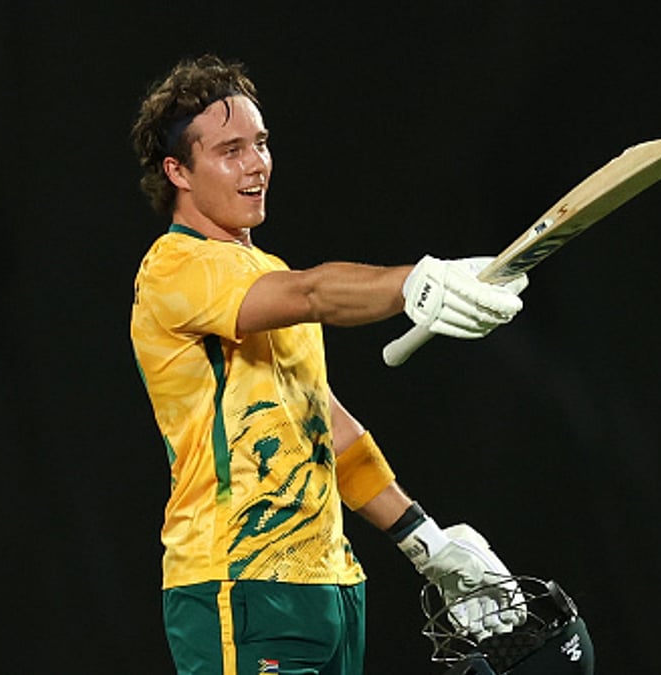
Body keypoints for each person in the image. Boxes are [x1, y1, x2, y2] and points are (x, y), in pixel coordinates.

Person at [129, 54, 529, 675]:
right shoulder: (174, 268)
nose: (256, 164)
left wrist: (427, 541)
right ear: (176, 170)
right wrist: (416, 283)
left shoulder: (264, 273)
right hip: (239, 584)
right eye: (230, 150)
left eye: (260, 144)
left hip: (330, 585)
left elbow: (324, 428)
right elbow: (314, 293)